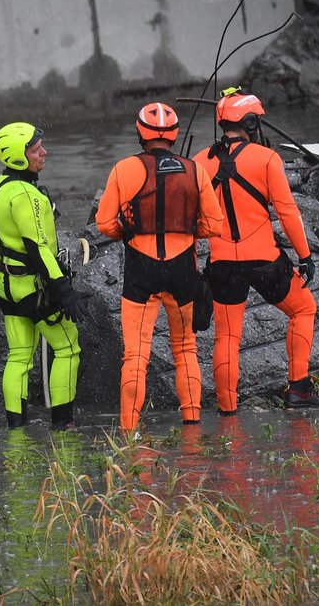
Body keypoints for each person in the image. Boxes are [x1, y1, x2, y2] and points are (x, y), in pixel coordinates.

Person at [192, 88, 319, 411]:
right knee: (303, 309)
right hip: (266, 262)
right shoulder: (268, 159)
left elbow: (192, 221)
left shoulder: (200, 163)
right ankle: (298, 389)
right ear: (250, 123)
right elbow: (287, 212)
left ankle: (228, 407)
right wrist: (305, 256)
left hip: (222, 264)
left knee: (227, 338)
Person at [95, 102, 224, 432]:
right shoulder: (194, 169)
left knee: (136, 356)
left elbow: (105, 222)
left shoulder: (123, 169)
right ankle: (192, 422)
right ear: (175, 134)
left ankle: (129, 430)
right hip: (182, 269)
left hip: (141, 271)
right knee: (185, 348)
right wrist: (185, 228)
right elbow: (214, 224)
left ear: (140, 132)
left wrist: (130, 230)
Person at [0, 122, 90, 430]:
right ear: (18, 157)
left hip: (5, 285)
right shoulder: (26, 195)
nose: (43, 152)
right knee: (68, 347)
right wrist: (63, 291)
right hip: (32, 288)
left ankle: (16, 429)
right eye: (34, 149)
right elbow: (39, 249)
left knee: (19, 355)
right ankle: (63, 423)